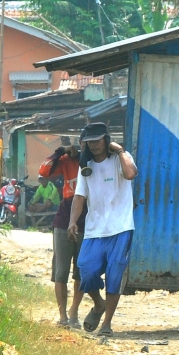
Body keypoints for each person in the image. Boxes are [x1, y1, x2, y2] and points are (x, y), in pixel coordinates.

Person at [68, 122, 138, 337]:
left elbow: (130, 174)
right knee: (85, 270)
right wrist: (72, 222)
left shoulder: (120, 159)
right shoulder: (86, 167)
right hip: (95, 229)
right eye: (90, 142)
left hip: (121, 227)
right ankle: (99, 305)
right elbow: (80, 197)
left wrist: (119, 150)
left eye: (98, 140)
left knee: (115, 274)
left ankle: (106, 323)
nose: (95, 145)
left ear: (106, 140)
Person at [39, 133, 88, 328]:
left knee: (81, 270)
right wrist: (62, 151)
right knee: (61, 271)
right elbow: (44, 170)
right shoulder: (67, 160)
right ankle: (62, 316)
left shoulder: (96, 162)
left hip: (88, 218)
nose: (86, 146)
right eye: (84, 142)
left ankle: (74, 312)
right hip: (64, 215)